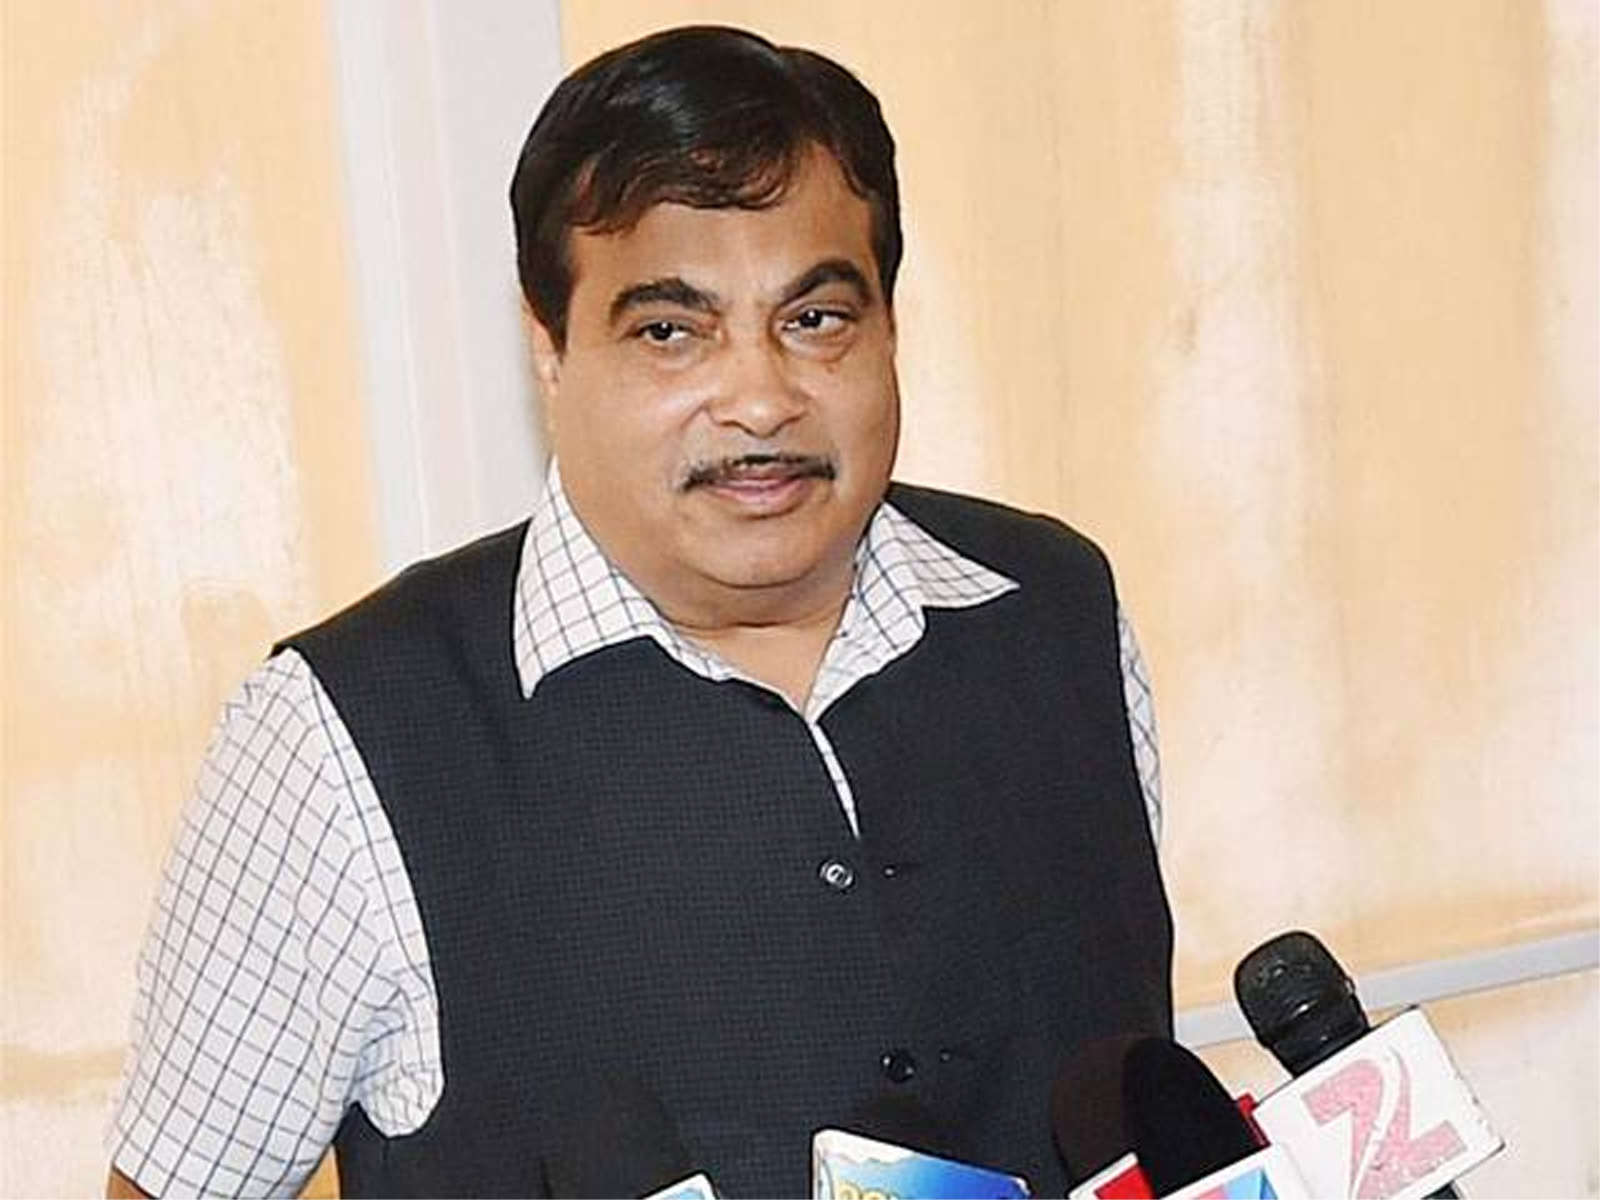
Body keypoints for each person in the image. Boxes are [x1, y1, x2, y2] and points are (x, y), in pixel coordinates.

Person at [106, 24, 1172, 1199]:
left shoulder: (1056, 617)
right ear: (550, 349)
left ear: (888, 325)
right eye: (672, 331)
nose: (760, 399)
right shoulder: (341, 737)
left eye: (816, 320)